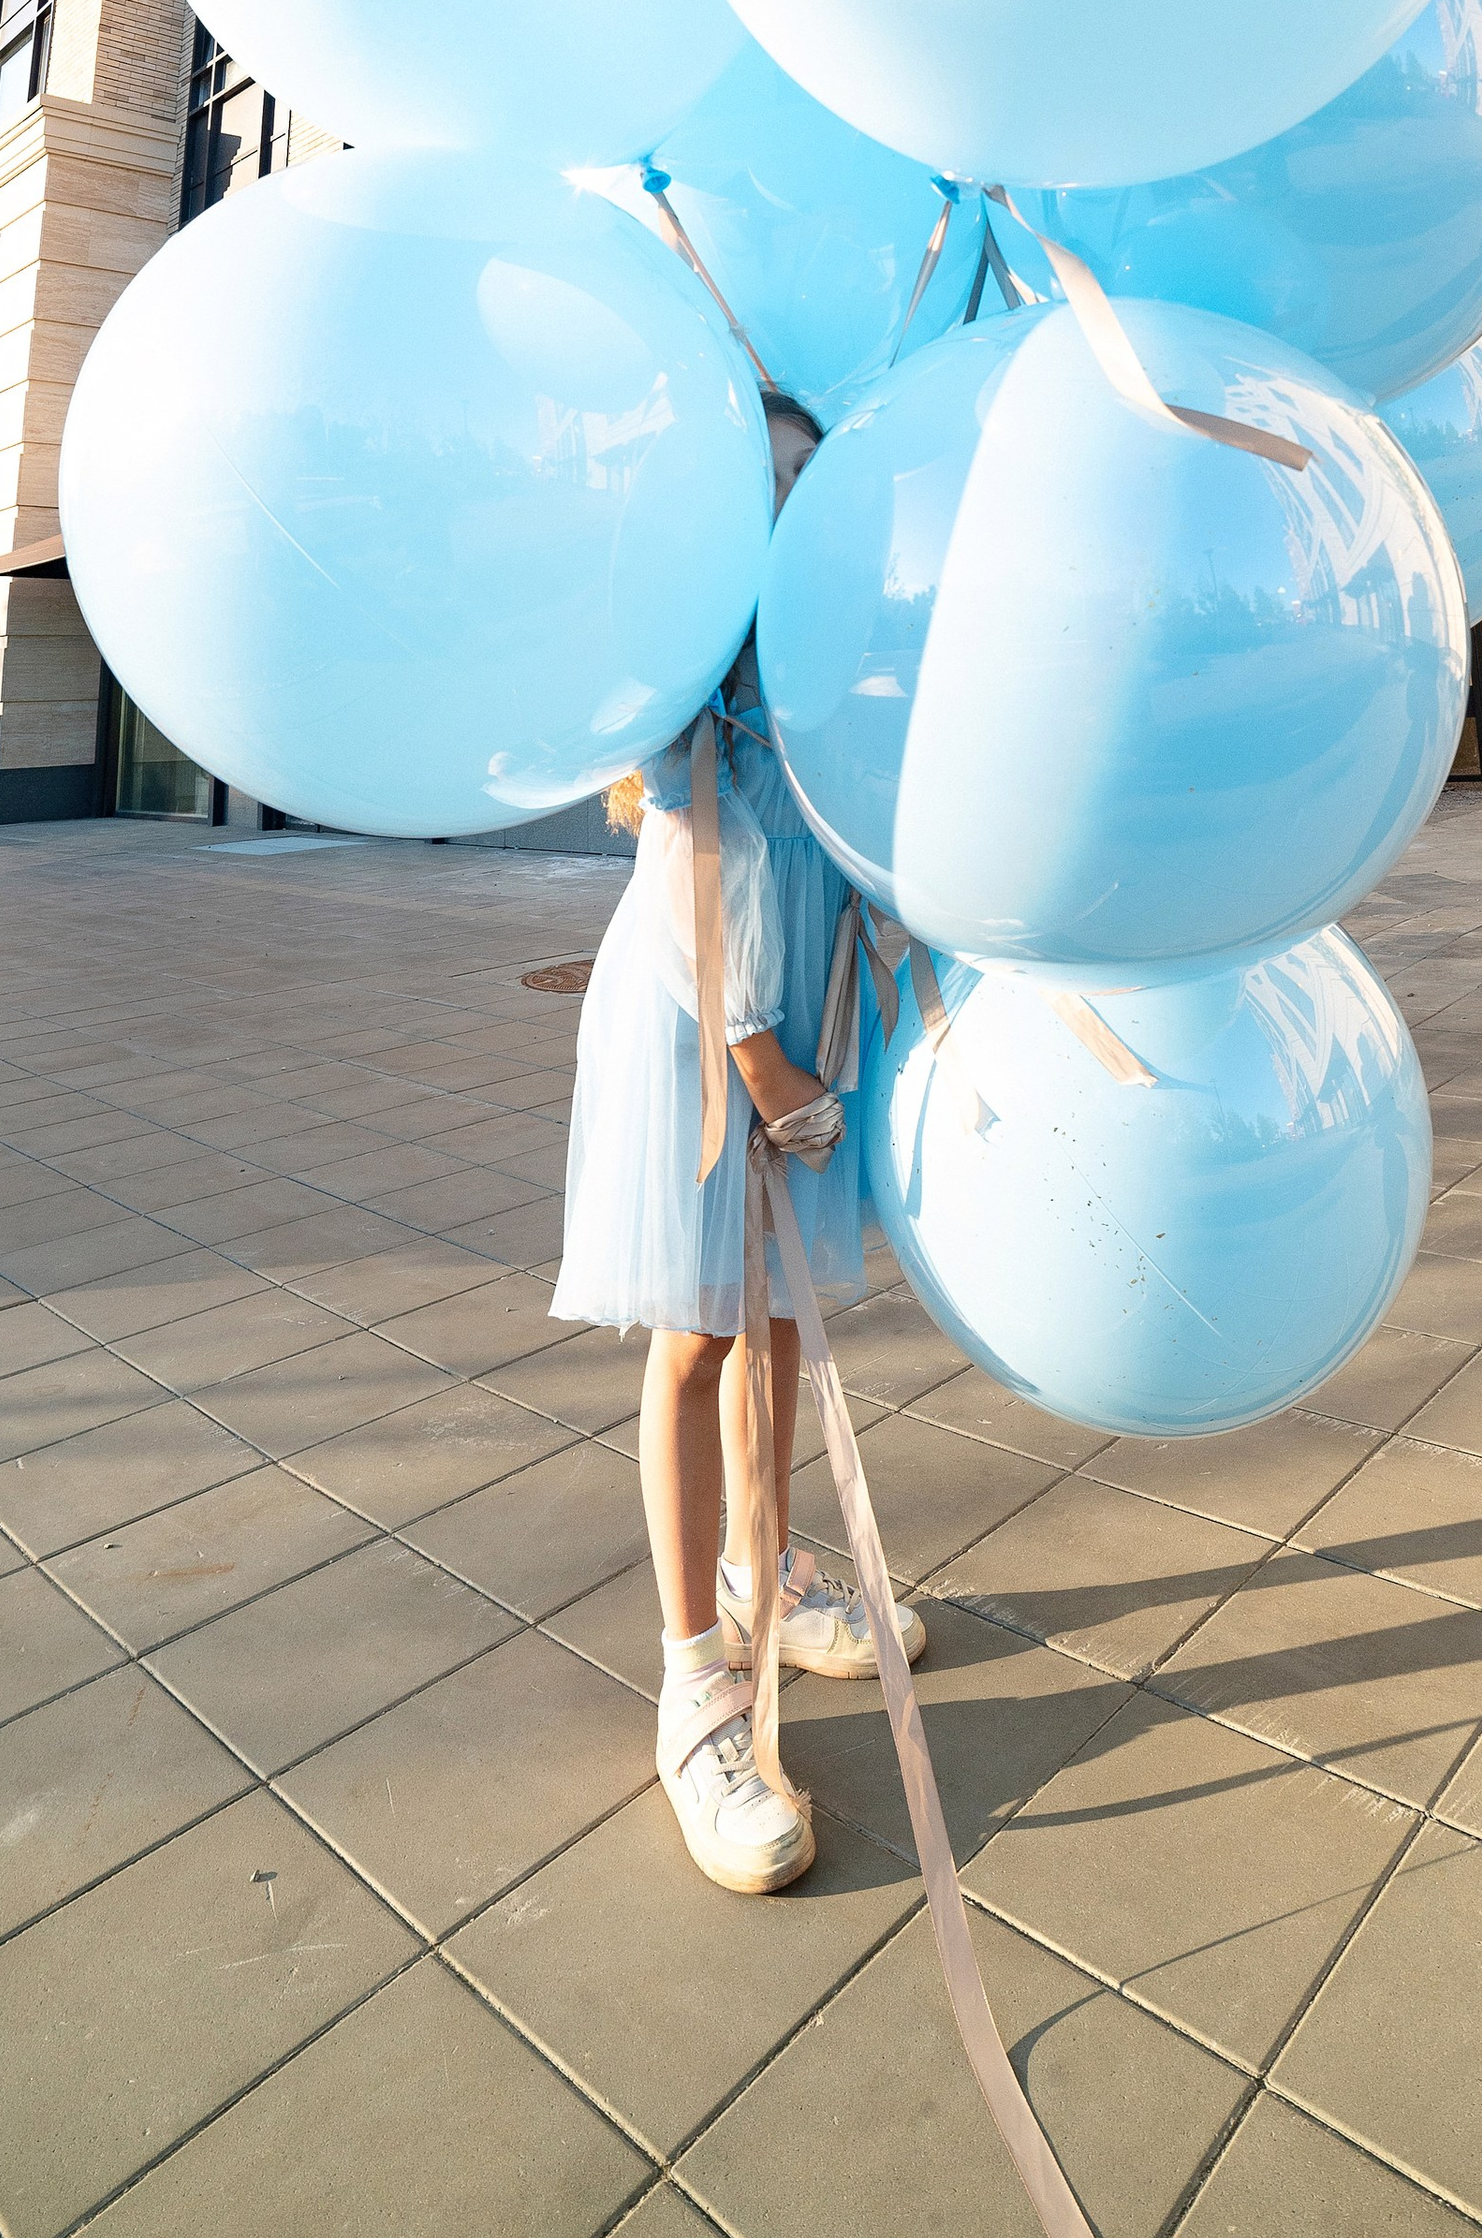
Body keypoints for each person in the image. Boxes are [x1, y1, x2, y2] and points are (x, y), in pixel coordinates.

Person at [552, 389, 925, 1895]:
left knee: (777, 1318)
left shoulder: (822, 647)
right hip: (700, 1028)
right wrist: (760, 1056)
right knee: (699, 1333)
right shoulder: (693, 654)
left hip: (798, 1019)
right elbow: (686, 859)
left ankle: (768, 1574)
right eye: (768, 479)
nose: (791, 504)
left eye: (808, 479)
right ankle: (693, 1681)